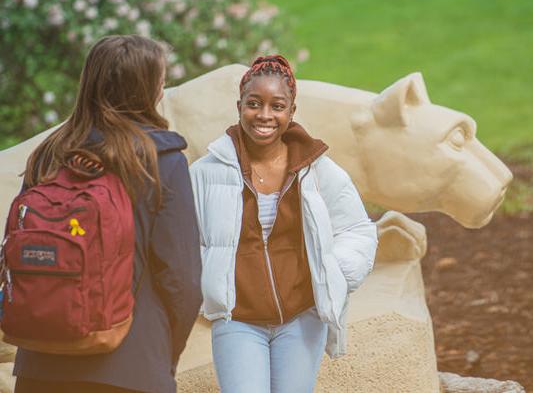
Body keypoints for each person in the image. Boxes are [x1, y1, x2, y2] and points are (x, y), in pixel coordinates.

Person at [12, 35, 203, 393]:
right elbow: (183, 279)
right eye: (160, 81)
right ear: (148, 91)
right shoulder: (163, 161)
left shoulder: (49, 154)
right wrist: (166, 351)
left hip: (40, 363)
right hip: (133, 365)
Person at [190, 55, 377, 393]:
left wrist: (332, 273)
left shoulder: (316, 169)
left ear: (291, 111)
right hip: (238, 320)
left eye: (277, 106)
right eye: (254, 104)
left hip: (301, 318)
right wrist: (210, 284)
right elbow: (184, 241)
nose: (264, 115)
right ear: (239, 106)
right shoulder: (207, 172)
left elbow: (357, 230)